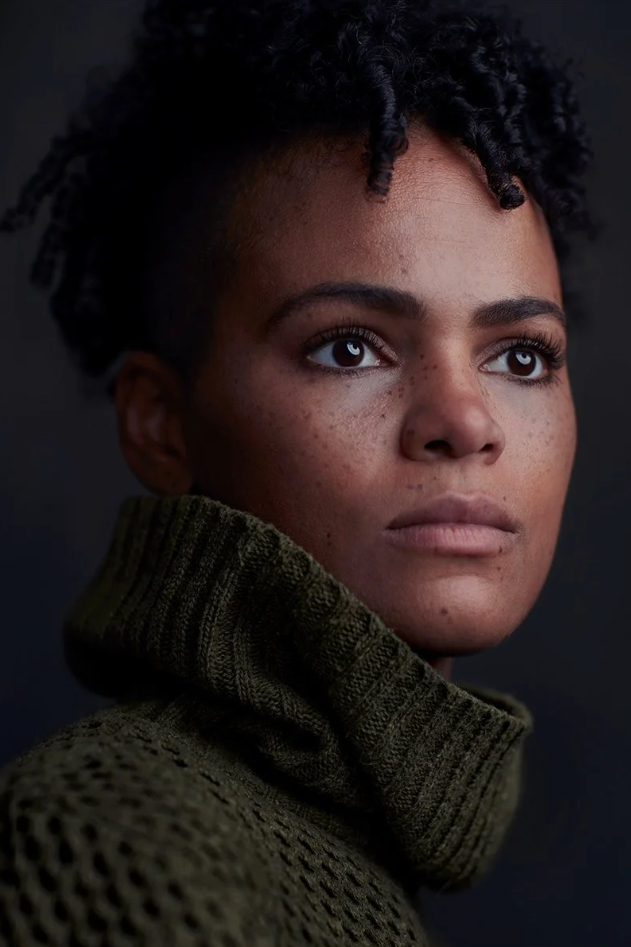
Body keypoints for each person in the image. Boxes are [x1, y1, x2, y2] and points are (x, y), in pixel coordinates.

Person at [0, 0, 594, 944]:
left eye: (519, 356)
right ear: (160, 424)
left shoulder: (331, 848)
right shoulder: (109, 844)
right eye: (348, 347)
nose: (464, 421)